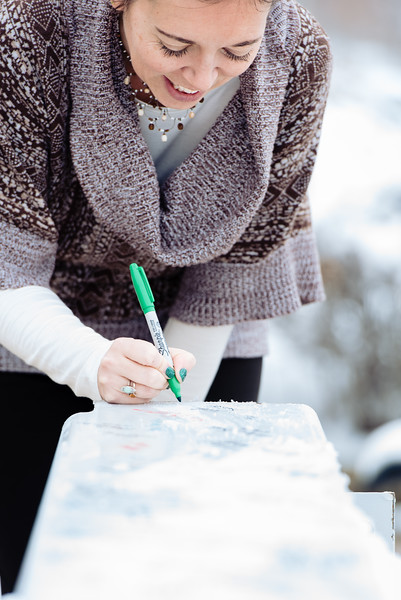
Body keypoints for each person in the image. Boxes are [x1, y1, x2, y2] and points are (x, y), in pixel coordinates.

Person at [0, 0, 331, 591]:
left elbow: (239, 259)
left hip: (210, 319)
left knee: (185, 554)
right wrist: (91, 362)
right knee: (31, 555)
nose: (201, 79)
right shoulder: (28, 34)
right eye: (175, 47)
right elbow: (7, 269)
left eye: (237, 52)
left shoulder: (298, 56)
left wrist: (165, 421)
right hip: (33, 310)